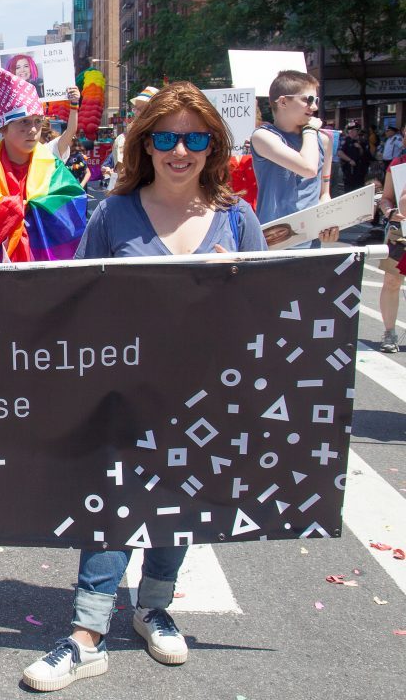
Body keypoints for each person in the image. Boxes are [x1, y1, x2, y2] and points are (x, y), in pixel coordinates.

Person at [22, 82, 267, 692]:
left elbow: (269, 311)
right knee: (112, 505)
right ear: (146, 145)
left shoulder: (237, 219)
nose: (180, 151)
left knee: (177, 505)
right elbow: (79, 299)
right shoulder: (114, 214)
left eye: (195, 139)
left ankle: (154, 607)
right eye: (166, 138)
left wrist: (236, 283)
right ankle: (86, 635)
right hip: (124, 394)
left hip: (206, 397)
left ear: (213, 146)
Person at [0, 68, 87, 265]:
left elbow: (73, 207)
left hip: (42, 270)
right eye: (24, 122)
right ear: (4, 128)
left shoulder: (52, 167)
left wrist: (20, 210)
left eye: (37, 121)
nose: (33, 129)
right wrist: (8, 213)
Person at [250, 71, 339, 246]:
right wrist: (310, 130)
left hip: (311, 240)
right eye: (307, 100)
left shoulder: (324, 140)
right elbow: (308, 168)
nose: (314, 107)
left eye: (316, 100)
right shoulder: (263, 137)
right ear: (283, 102)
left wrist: (329, 223)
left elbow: (324, 193)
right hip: (275, 241)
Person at [377, 150, 406, 352]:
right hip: (400, 231)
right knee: (392, 281)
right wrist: (389, 211)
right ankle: (389, 332)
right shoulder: (398, 163)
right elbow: (386, 199)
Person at [110, 87, 159, 186]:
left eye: (141, 109)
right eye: (136, 108)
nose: (136, 113)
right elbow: (124, 177)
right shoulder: (124, 140)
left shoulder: (167, 136)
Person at [338, 121, 368, 192]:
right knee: (349, 188)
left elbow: (362, 154)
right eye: (356, 130)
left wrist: (360, 148)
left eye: (357, 130)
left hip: (359, 168)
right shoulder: (345, 140)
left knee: (359, 187)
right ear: (350, 131)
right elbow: (340, 153)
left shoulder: (359, 141)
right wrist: (350, 160)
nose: (357, 132)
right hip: (349, 168)